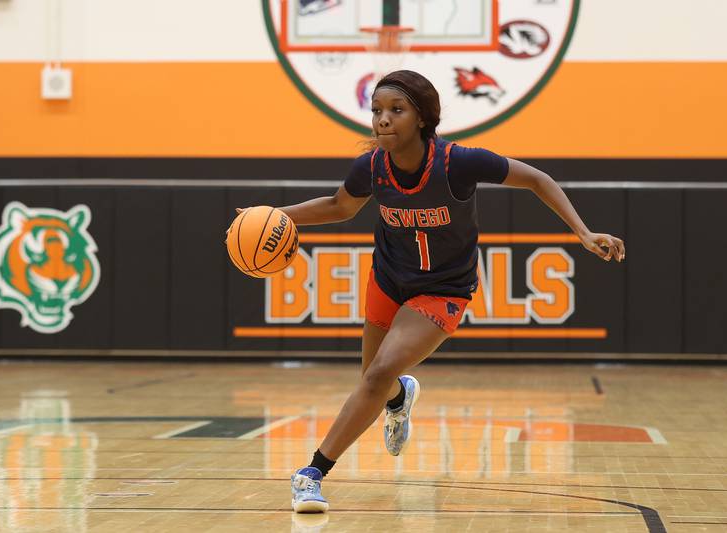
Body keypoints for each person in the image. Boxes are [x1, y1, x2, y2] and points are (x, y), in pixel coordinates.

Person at [238, 70, 624, 513]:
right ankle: (400, 399)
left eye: (395, 111)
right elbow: (339, 207)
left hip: (443, 287)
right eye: (377, 111)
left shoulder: (458, 163)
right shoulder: (370, 167)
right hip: (388, 277)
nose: (383, 120)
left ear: (422, 118)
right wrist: (272, 214)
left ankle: (311, 473)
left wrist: (582, 231)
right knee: (374, 379)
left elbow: (536, 178)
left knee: (379, 370)